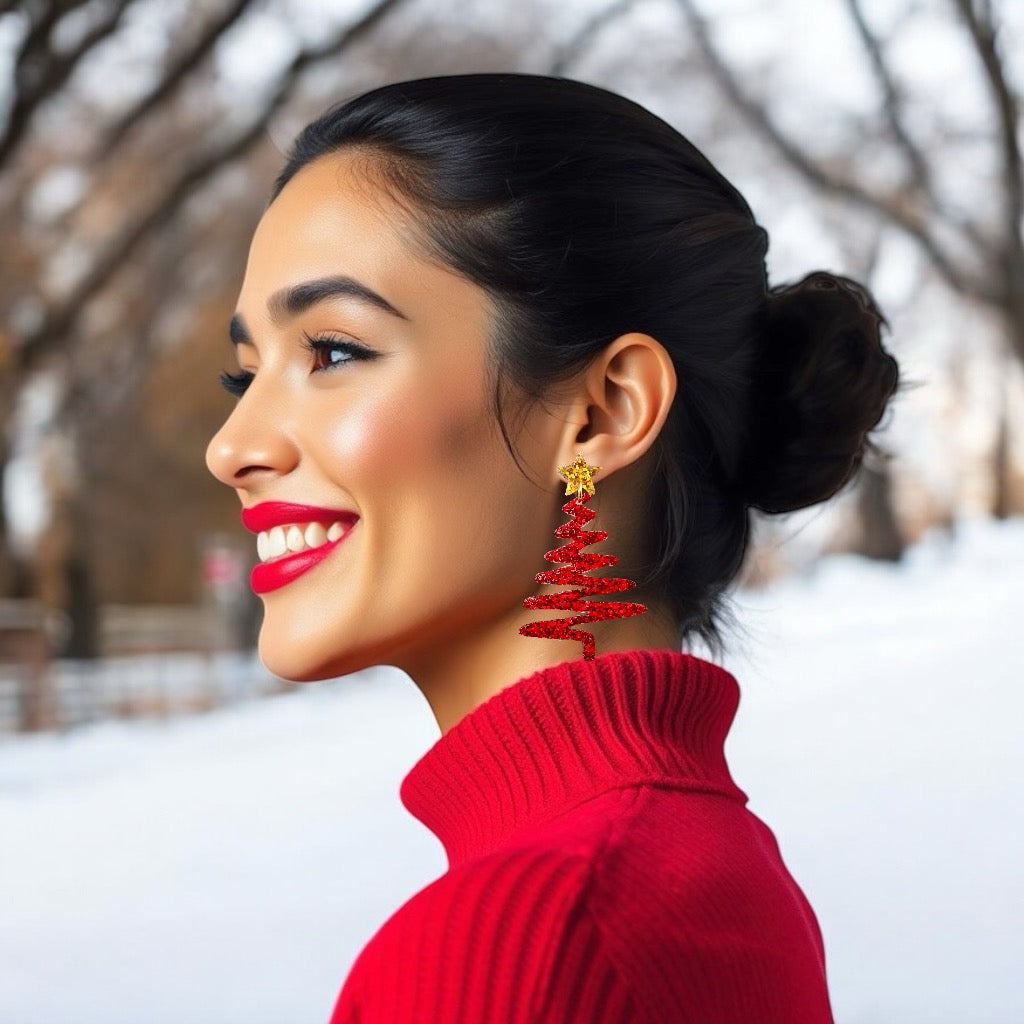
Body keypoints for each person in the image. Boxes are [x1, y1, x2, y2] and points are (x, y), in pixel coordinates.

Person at [206, 73, 899, 1024]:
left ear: (604, 411)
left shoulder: (529, 942)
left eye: (331, 351)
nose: (233, 446)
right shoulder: (703, 869)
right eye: (243, 376)